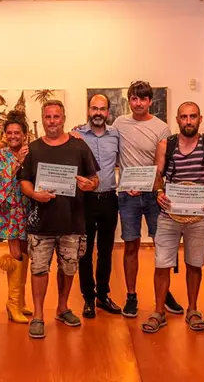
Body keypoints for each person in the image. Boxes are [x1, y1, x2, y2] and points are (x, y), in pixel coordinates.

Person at [19, 100, 99, 339]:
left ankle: (62, 308)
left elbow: (95, 179)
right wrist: (34, 194)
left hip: (72, 221)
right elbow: (24, 181)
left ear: (63, 118)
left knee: (68, 268)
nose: (52, 121)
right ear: (42, 119)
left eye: (56, 117)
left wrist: (90, 184)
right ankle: (38, 315)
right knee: (39, 269)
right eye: (47, 117)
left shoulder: (79, 147)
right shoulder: (33, 149)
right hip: (41, 222)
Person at [142, 102, 204, 333]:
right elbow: (158, 175)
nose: (189, 121)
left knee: (195, 263)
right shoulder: (165, 144)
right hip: (169, 213)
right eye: (184, 117)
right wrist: (158, 193)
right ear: (177, 119)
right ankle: (159, 311)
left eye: (193, 117)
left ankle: (193, 310)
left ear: (200, 118)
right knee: (162, 263)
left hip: (200, 214)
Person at [112, 81, 182, 318]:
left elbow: (164, 163)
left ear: (150, 101)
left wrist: (156, 187)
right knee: (130, 244)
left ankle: (165, 293)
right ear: (129, 100)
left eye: (143, 99)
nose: (138, 103)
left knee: (161, 245)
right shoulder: (119, 123)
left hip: (154, 195)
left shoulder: (162, 127)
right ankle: (131, 296)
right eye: (134, 98)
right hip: (127, 195)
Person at [74, 94, 122, 319]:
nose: (98, 113)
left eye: (102, 109)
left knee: (106, 250)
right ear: (88, 110)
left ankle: (103, 294)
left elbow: (124, 163)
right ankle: (88, 298)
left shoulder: (116, 135)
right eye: (94, 108)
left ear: (108, 112)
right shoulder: (76, 135)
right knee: (84, 251)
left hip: (109, 199)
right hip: (85, 200)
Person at [0, 111, 33, 324]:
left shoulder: (32, 151)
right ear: (4, 135)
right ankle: (12, 303)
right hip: (11, 210)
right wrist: (17, 161)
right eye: (10, 133)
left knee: (25, 254)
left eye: (17, 132)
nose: (13, 136)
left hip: (28, 208)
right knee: (15, 254)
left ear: (24, 134)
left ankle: (21, 301)